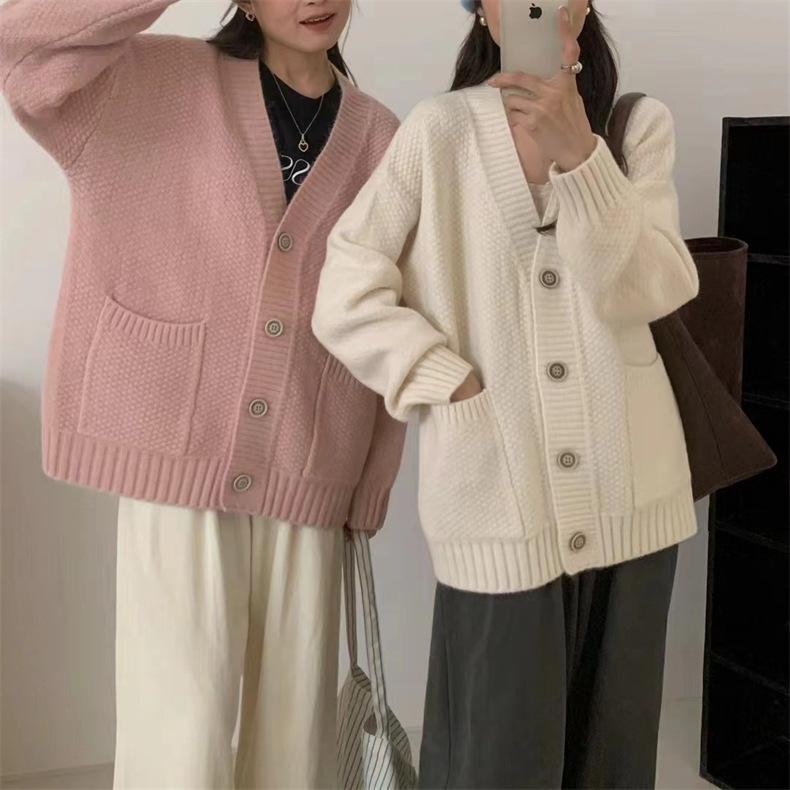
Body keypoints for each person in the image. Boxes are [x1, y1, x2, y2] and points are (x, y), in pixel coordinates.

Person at [0, 0, 406, 786]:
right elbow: (19, 45)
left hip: (310, 463)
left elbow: (400, 313)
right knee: (179, 735)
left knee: (293, 742)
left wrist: (370, 483)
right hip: (175, 456)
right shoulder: (144, 81)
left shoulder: (383, 140)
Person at [312, 0, 700, 786]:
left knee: (613, 763)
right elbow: (344, 292)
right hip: (498, 496)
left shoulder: (634, 127)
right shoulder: (440, 132)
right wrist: (443, 379)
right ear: (484, 14)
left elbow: (653, 291)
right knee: (497, 763)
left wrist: (582, 158)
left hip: (634, 494)